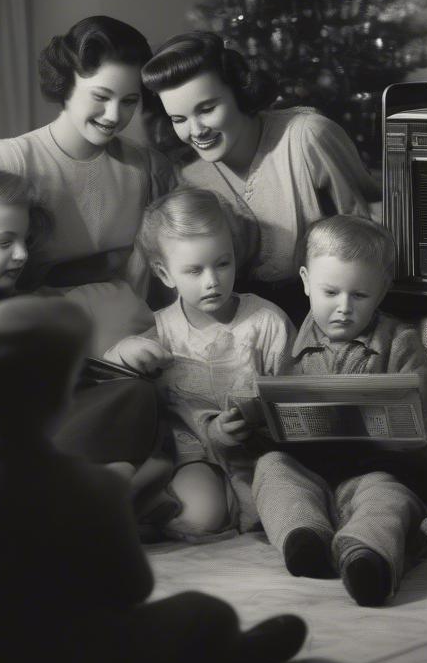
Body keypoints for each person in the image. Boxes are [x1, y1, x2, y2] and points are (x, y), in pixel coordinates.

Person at [0, 295, 307, 663]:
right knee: (206, 614)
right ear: (62, 398)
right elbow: (130, 588)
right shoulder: (90, 485)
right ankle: (218, 656)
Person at [0, 168, 170, 504]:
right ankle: (110, 487)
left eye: (24, 240)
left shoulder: (6, 294)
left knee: (134, 393)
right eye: (4, 242)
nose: (21, 254)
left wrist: (100, 366)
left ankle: (113, 483)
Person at [251, 216, 427, 607]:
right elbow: (271, 426)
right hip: (313, 479)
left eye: (360, 296)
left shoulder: (402, 346)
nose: (344, 308)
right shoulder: (289, 347)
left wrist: (412, 447)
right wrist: (251, 424)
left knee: (388, 498)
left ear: (381, 291)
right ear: (305, 282)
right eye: (330, 292)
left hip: (375, 476)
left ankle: (366, 555)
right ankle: (305, 536)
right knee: (270, 468)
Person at [0, 15, 177, 298]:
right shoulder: (11, 160)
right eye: (100, 97)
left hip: (127, 330)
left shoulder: (147, 167)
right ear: (65, 85)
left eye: (129, 102)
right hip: (37, 330)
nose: (113, 115)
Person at [141, 32, 380, 323]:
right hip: (243, 324)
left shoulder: (308, 136)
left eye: (207, 109)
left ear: (240, 93)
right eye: (179, 119)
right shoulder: (189, 173)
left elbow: (368, 238)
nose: (196, 131)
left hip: (330, 317)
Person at [104, 188, 295, 541]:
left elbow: (293, 397)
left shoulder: (266, 322)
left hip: (257, 456)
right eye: (194, 270)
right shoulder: (161, 329)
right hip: (192, 454)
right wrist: (124, 351)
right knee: (199, 517)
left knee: (278, 508)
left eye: (222, 263)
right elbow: (112, 382)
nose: (212, 281)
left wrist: (253, 425)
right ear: (165, 273)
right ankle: (135, 507)